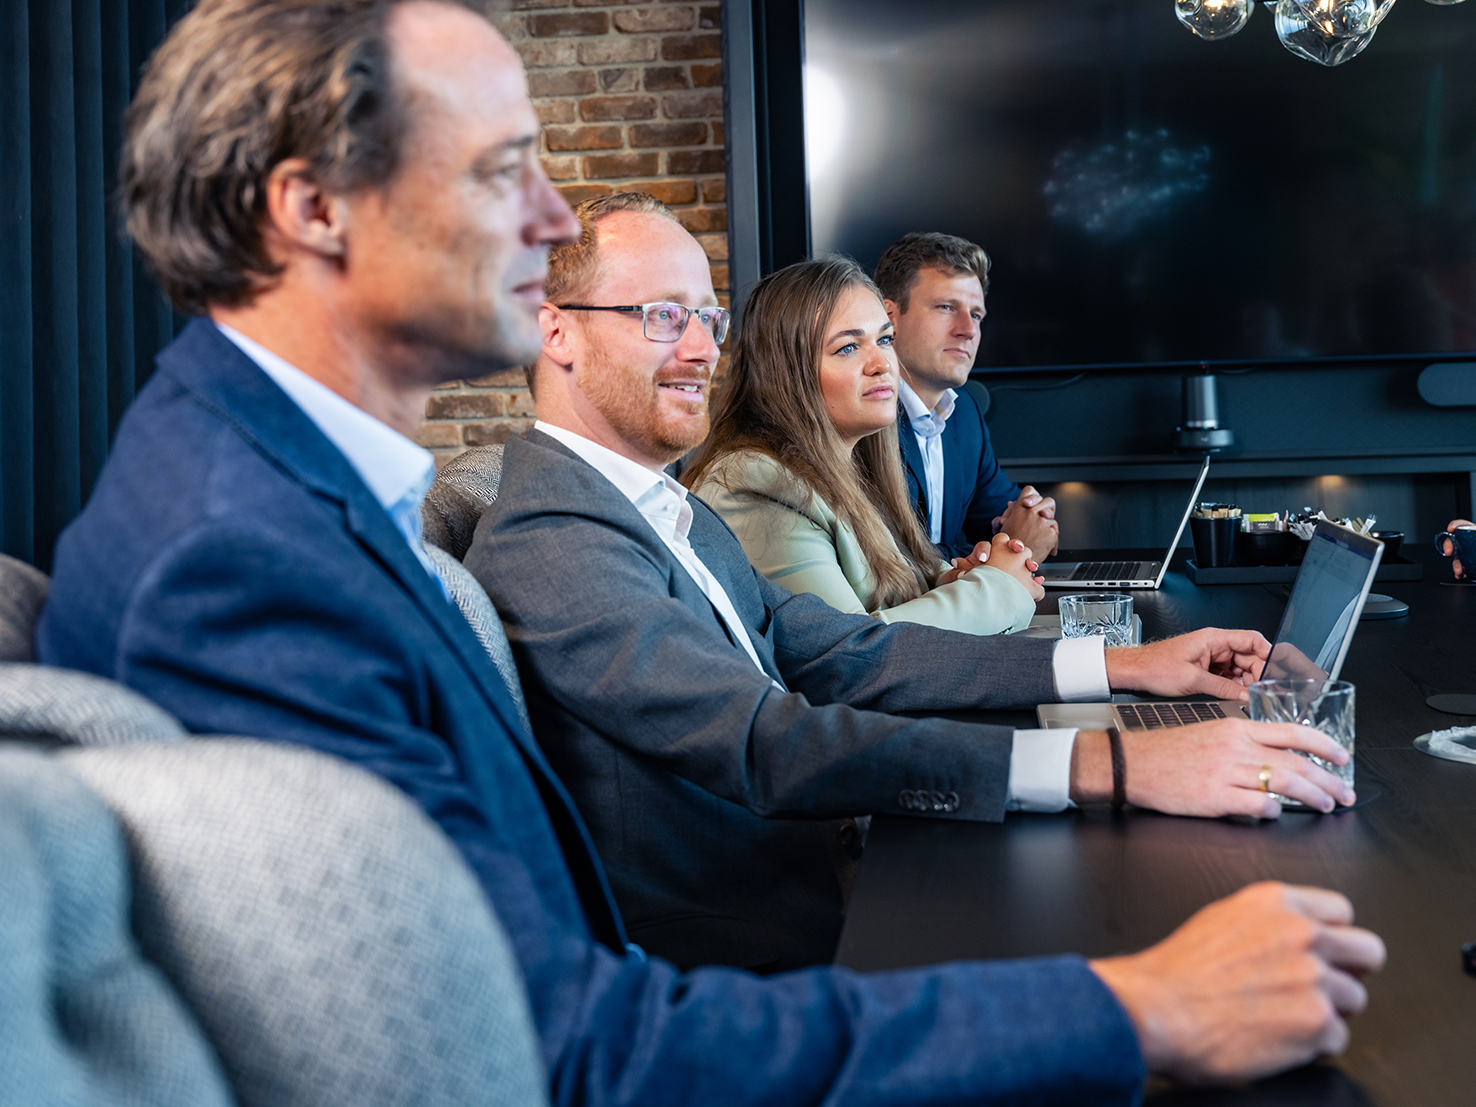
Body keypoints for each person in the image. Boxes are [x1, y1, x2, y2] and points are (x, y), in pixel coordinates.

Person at [36, 3, 1384, 1102]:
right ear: (311, 207)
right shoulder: (238, 554)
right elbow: (553, 1042)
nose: (555, 217)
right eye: (506, 166)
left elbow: (826, 650)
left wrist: (1117, 682)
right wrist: (1129, 1003)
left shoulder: (285, 486)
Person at [468, 188, 1362, 969]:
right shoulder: (553, 538)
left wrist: (1132, 668)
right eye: (664, 316)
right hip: (748, 943)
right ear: (558, 333)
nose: (703, 348)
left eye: (708, 316)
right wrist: (1114, 761)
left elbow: (850, 653)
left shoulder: (665, 506)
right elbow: (765, 741)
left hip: (825, 876)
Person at [683, 256, 1042, 637]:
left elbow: (906, 593)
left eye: (884, 340)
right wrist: (998, 588)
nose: (883, 364)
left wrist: (962, 577)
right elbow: (846, 651)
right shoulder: (755, 485)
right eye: (848, 348)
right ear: (787, 373)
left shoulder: (859, 469)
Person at [875, 232, 1061, 562]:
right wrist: (1012, 546)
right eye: (947, 307)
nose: (968, 330)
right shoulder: (864, 414)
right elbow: (891, 562)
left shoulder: (965, 413)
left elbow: (1004, 521)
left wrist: (1033, 519)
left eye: (976, 314)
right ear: (890, 319)